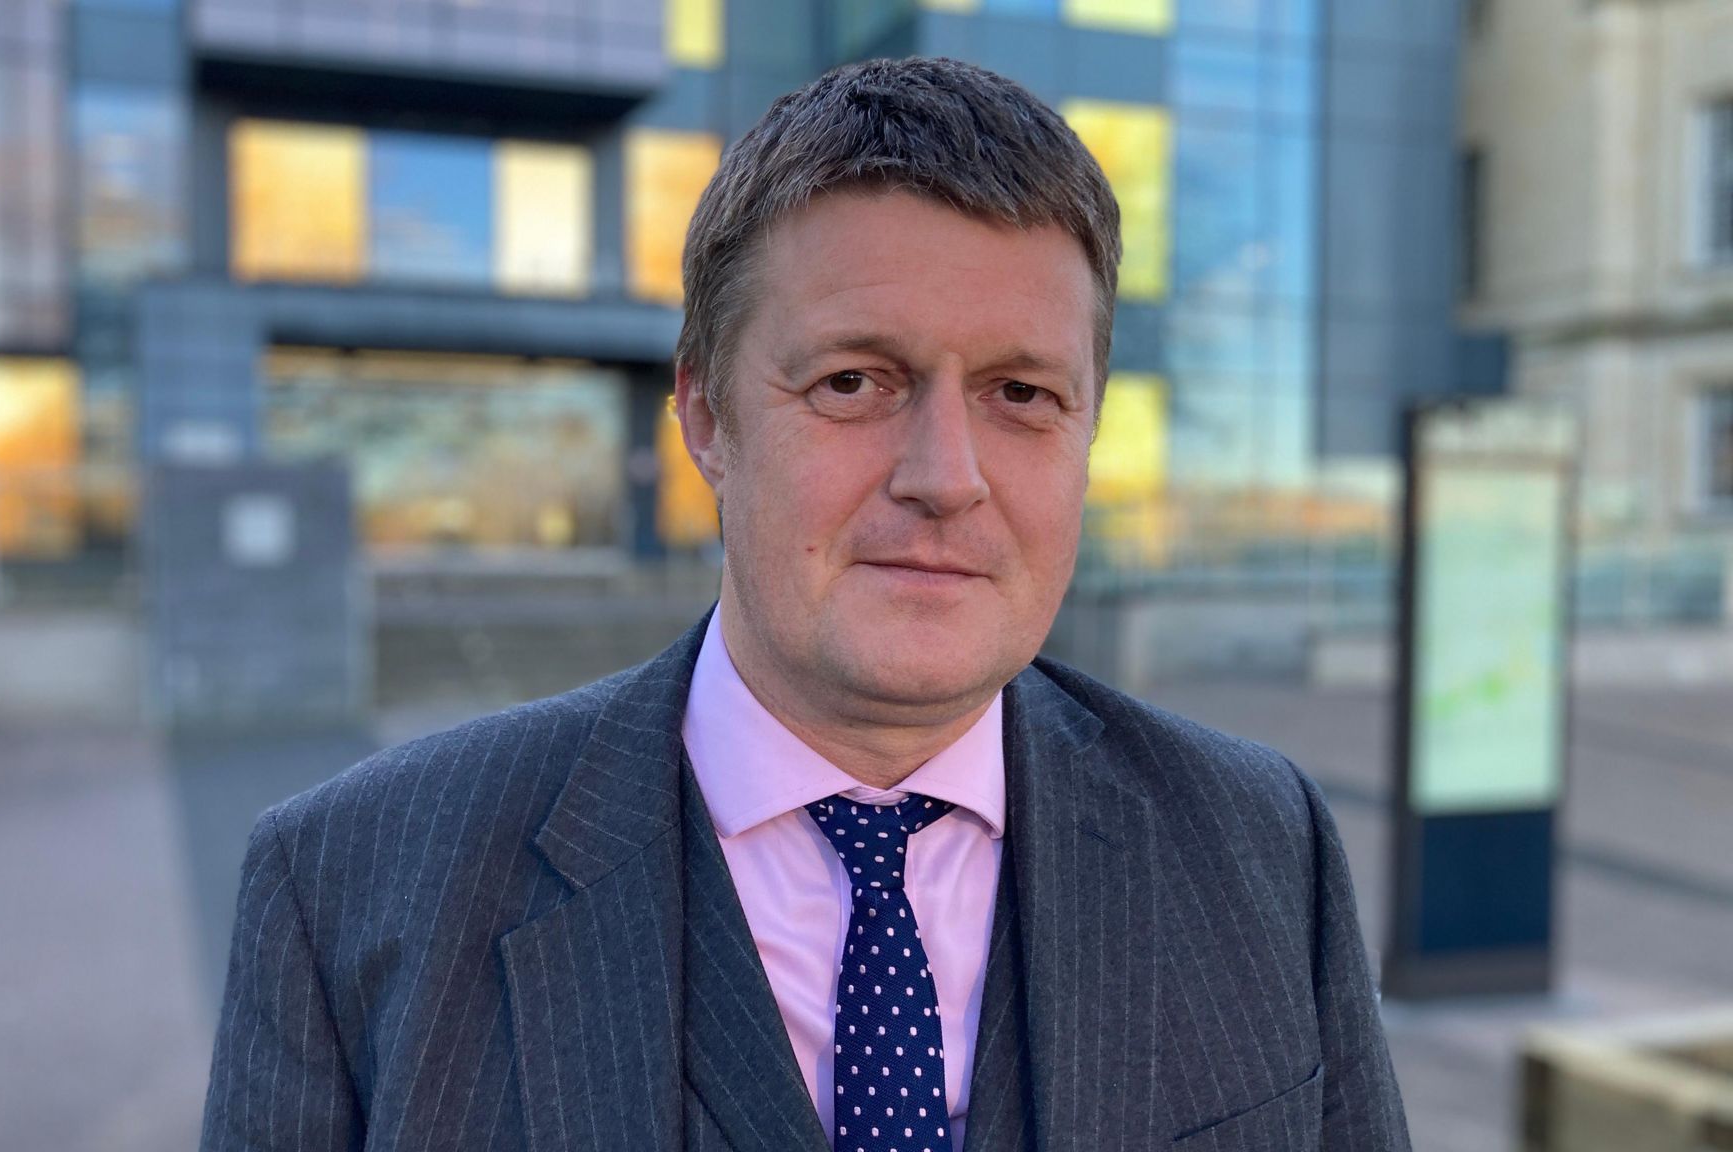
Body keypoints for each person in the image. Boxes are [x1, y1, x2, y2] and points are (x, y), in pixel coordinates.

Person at [200, 56, 1410, 1152]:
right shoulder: (352, 888)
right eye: (852, 381)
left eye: (1022, 395)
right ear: (706, 419)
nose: (944, 476)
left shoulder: (1260, 843)